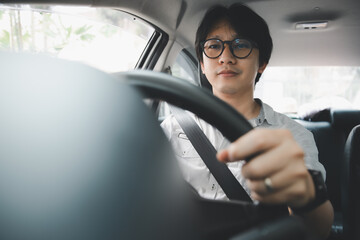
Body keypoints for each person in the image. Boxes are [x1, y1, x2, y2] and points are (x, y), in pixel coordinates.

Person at [161, 3, 334, 239]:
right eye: (213, 46)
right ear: (202, 63)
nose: (226, 57)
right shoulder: (170, 129)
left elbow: (317, 230)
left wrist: (305, 196)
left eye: (240, 45)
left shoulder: (293, 136)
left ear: (262, 63)